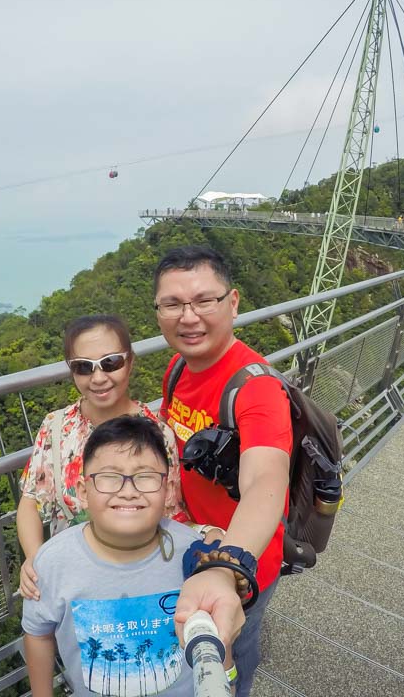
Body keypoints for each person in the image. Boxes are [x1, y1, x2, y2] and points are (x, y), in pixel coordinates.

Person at [154, 245, 292, 697]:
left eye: (203, 301)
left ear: (232, 303)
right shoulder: (178, 367)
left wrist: (225, 566)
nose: (188, 316)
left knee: (237, 650)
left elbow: (264, 482)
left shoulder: (257, 389)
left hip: (242, 556)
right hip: (195, 540)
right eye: (172, 304)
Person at [22, 416, 219, 697]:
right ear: (83, 491)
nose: (128, 491)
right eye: (110, 477)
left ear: (167, 488)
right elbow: (38, 634)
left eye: (145, 477)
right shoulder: (54, 562)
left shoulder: (193, 552)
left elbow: (213, 632)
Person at [17, 314, 183, 601]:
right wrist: (36, 560)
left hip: (139, 588)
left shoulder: (157, 435)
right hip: (68, 585)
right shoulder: (56, 428)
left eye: (111, 363)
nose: (98, 378)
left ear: (129, 362)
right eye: (83, 367)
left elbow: (170, 518)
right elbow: (31, 501)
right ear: (72, 372)